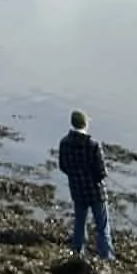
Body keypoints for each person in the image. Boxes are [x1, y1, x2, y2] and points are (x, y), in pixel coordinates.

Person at [57, 109, 113, 261]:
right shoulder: (93, 145)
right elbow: (101, 172)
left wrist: (76, 175)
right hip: (95, 192)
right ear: (85, 124)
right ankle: (106, 256)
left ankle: (77, 252)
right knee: (102, 227)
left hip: (77, 190)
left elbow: (63, 166)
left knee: (80, 224)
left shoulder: (64, 143)